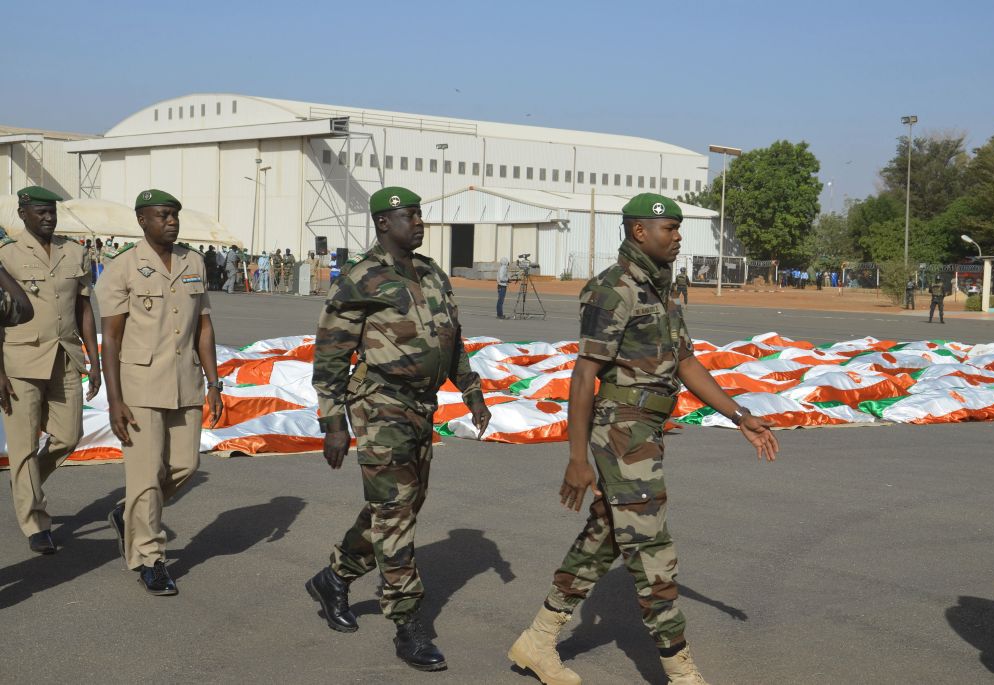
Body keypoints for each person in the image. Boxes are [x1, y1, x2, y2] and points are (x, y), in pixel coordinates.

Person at [507, 193, 779, 685]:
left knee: (605, 537)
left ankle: (538, 639)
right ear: (639, 232)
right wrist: (577, 458)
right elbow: (583, 374)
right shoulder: (614, 291)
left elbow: (687, 362)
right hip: (621, 432)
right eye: (669, 229)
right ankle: (680, 670)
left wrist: (740, 415)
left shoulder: (664, 289)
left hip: (647, 430)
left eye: (678, 229)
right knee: (652, 549)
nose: (677, 237)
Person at [307, 186, 491, 672]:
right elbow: (329, 353)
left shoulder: (431, 273)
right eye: (409, 216)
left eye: (420, 214)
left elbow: (451, 341)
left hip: (421, 405)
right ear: (384, 223)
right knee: (395, 511)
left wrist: (472, 391)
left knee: (401, 505)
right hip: (379, 403)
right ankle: (407, 621)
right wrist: (333, 422)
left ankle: (334, 577)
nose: (419, 222)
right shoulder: (360, 278)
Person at [97, 189, 223, 596]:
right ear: (142, 220)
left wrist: (215, 383)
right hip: (139, 387)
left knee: (185, 466)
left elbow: (203, 325)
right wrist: (115, 400)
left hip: (185, 381)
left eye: (174, 215)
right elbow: (111, 340)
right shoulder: (122, 268)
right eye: (162, 215)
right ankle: (150, 558)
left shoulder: (193, 261)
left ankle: (128, 513)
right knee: (147, 476)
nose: (171, 221)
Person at [0, 186, 100, 555]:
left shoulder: (74, 252)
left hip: (65, 357)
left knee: (68, 437)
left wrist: (95, 359)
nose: (48, 217)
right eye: (41, 211)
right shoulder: (6, 255)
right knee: (23, 445)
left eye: (52, 212)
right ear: (23, 213)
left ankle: (25, 485)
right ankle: (36, 523)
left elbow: (84, 308)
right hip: (19, 361)